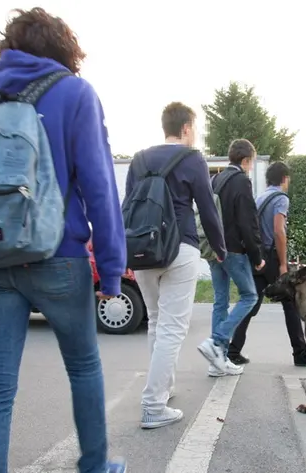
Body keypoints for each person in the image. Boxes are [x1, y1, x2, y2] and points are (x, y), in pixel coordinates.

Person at [0, 8, 127, 473]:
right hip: (58, 254)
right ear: (64, 49)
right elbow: (98, 185)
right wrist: (111, 268)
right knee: (83, 367)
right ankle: (95, 465)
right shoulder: (75, 93)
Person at [126, 102, 227, 429]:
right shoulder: (191, 158)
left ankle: (163, 389)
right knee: (171, 327)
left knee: (156, 322)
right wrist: (219, 247)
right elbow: (208, 209)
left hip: (142, 251)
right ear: (186, 128)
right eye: (194, 128)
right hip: (179, 249)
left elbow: (127, 207)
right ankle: (153, 404)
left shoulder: (139, 159)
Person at [228, 162, 306, 367]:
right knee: (291, 303)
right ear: (284, 178)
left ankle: (233, 349)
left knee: (251, 302)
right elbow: (279, 231)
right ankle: (300, 353)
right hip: (273, 259)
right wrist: (283, 264)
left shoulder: (260, 197)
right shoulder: (281, 199)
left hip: (258, 258)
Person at [197, 139, 265, 377]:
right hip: (233, 250)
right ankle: (216, 341)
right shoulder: (241, 182)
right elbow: (248, 223)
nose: (251, 167)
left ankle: (217, 362)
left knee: (220, 301)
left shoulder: (215, 179)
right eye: (251, 163)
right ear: (246, 160)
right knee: (249, 296)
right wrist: (257, 255)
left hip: (213, 248)